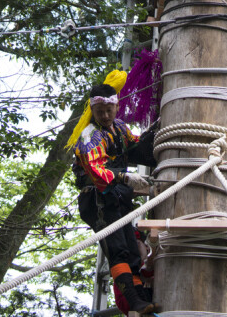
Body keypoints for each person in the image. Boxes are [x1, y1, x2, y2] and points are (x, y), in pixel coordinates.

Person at [73, 82, 157, 315]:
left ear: (117, 107)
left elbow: (135, 146)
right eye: (100, 112)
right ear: (93, 110)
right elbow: (94, 169)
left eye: (110, 110)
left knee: (132, 247)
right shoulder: (89, 134)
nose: (106, 115)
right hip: (97, 199)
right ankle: (132, 301)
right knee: (118, 249)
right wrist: (125, 178)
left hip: (117, 198)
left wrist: (156, 133)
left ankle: (141, 298)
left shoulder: (119, 127)